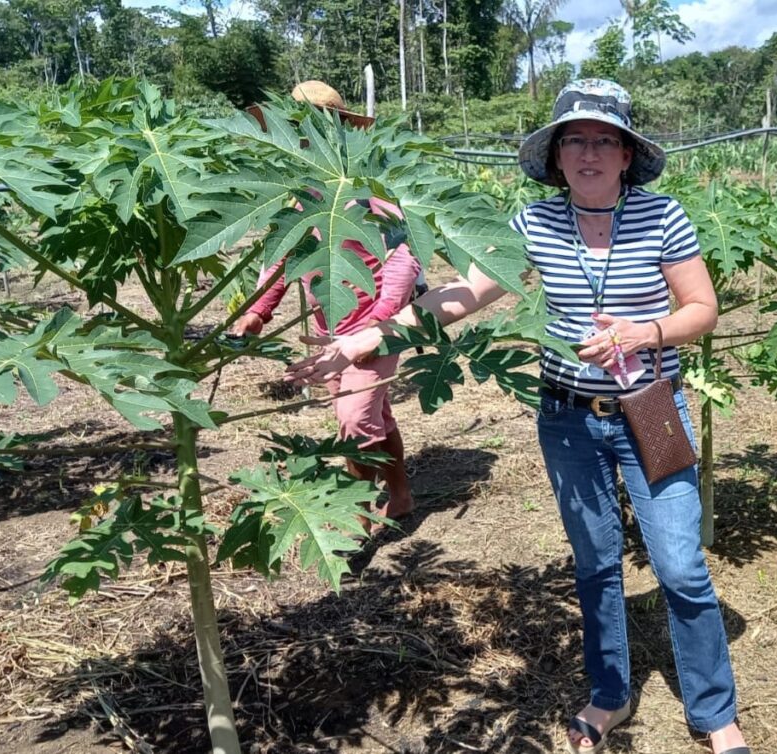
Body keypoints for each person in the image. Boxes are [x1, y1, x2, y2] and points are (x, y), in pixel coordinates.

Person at [285, 79, 749, 754]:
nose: (589, 151)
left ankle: (714, 714)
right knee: (594, 565)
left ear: (626, 155)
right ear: (556, 156)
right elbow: (464, 292)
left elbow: (699, 310)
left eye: (604, 139)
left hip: (650, 408)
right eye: (575, 140)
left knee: (679, 566)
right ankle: (609, 696)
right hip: (567, 419)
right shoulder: (534, 224)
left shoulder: (663, 217)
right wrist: (369, 336)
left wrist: (643, 333)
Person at [231, 80, 419, 524]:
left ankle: (353, 515)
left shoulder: (370, 189)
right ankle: (402, 493)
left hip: (374, 329)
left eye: (313, 128)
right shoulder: (300, 194)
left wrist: (378, 326)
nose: (302, 139)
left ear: (336, 130)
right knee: (375, 417)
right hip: (327, 332)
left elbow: (403, 257)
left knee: (355, 424)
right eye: (294, 130)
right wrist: (259, 309)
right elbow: (281, 257)